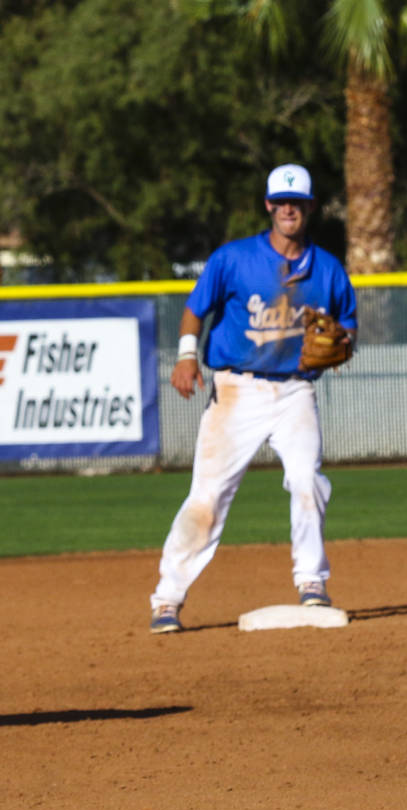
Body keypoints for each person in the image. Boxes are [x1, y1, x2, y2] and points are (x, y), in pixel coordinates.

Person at [149, 163, 357, 634]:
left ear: (309, 208)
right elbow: (195, 309)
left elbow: (347, 330)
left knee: (307, 481)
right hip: (236, 390)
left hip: (295, 390)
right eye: (281, 202)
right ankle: (167, 598)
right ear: (268, 205)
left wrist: (341, 346)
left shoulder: (328, 269)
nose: (289, 209)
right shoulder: (234, 259)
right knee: (207, 499)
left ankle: (312, 582)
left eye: (297, 202)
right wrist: (186, 358)